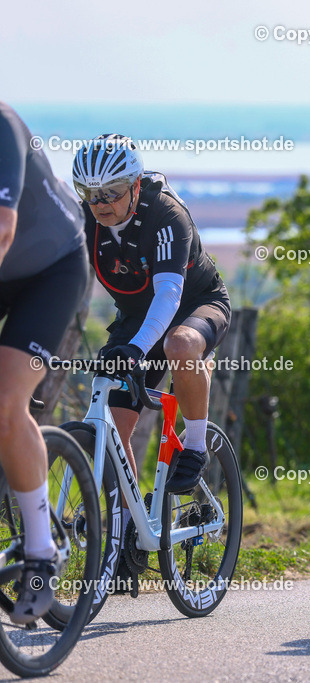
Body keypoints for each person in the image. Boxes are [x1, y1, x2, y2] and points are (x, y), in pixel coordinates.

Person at [72, 135, 231, 586]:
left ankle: (196, 444)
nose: (100, 204)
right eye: (91, 194)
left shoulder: (167, 215)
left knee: (181, 346)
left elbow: (169, 294)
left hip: (194, 306)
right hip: (138, 318)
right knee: (114, 433)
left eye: (110, 193)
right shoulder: (89, 219)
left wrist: (138, 351)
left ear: (135, 185)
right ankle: (127, 534)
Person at [0, 102, 90, 623]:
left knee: (6, 401)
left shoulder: (3, 127)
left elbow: (2, 231)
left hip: (50, 269)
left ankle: (41, 550)